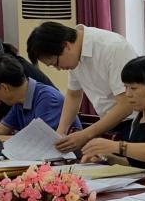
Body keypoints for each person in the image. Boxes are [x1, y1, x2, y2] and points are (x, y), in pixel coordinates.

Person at [27, 21, 138, 153]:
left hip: (136, 124)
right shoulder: (75, 54)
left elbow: (126, 106)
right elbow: (73, 95)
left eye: (55, 63)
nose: (58, 68)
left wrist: (85, 135)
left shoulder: (113, 48)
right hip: (110, 124)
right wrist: (60, 133)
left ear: (66, 45)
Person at [79, 55, 145, 175]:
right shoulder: (138, 119)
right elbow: (135, 164)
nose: (128, 94)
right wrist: (107, 158)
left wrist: (117, 146)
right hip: (143, 183)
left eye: (134, 88)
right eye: (126, 87)